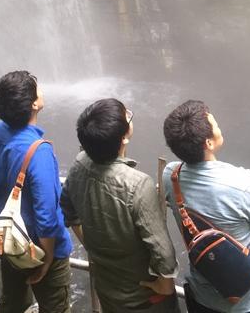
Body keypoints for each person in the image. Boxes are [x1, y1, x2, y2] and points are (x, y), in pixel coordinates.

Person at [162, 100, 250, 313]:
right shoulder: (241, 182)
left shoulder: (171, 176)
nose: (220, 126)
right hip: (248, 302)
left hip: (203, 295)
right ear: (208, 143)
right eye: (215, 123)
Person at [60, 98, 179, 313]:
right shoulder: (138, 184)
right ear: (124, 138)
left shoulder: (79, 164)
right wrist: (166, 284)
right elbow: (162, 249)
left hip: (107, 289)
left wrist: (92, 246)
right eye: (128, 116)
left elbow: (68, 209)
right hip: (145, 299)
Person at [0, 71, 72, 313]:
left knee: (13, 301)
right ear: (34, 104)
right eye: (37, 88)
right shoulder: (39, 152)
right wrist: (47, 259)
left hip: (8, 241)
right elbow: (47, 214)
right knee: (55, 307)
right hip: (38, 249)